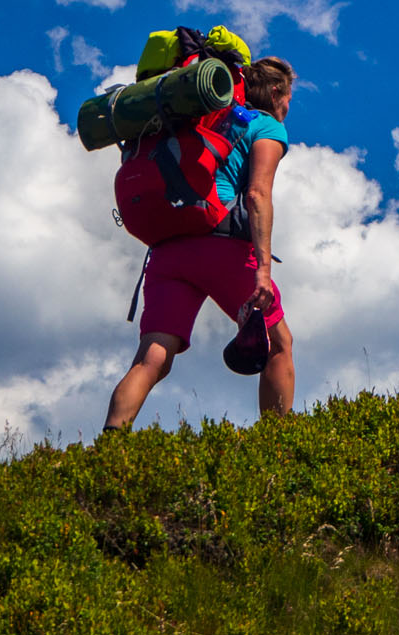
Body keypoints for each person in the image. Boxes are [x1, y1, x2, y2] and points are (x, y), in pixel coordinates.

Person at [104, 56, 297, 429]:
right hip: (219, 243)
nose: (288, 106)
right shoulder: (265, 126)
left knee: (151, 358)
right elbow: (257, 194)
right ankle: (282, 445)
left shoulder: (206, 122)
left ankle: (108, 448)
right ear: (276, 92)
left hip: (165, 251)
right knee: (278, 343)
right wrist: (262, 269)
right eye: (288, 97)